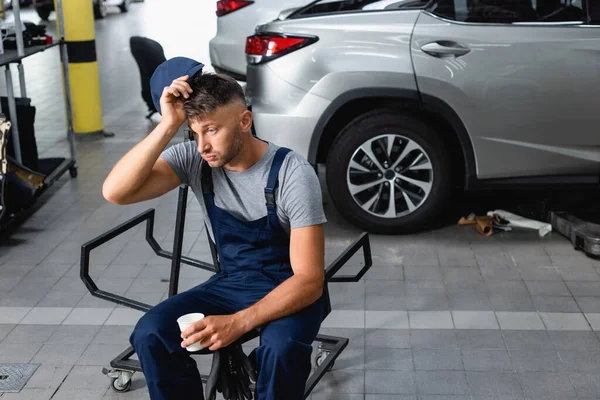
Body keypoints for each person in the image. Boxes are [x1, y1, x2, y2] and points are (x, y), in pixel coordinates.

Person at [102, 56, 327, 400]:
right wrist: (167, 124)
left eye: (211, 130)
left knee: (280, 351)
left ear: (244, 121)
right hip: (234, 282)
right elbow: (116, 192)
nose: (202, 146)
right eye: (193, 133)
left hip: (291, 287)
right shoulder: (195, 160)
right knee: (151, 332)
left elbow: (309, 281)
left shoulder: (292, 173)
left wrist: (238, 322)